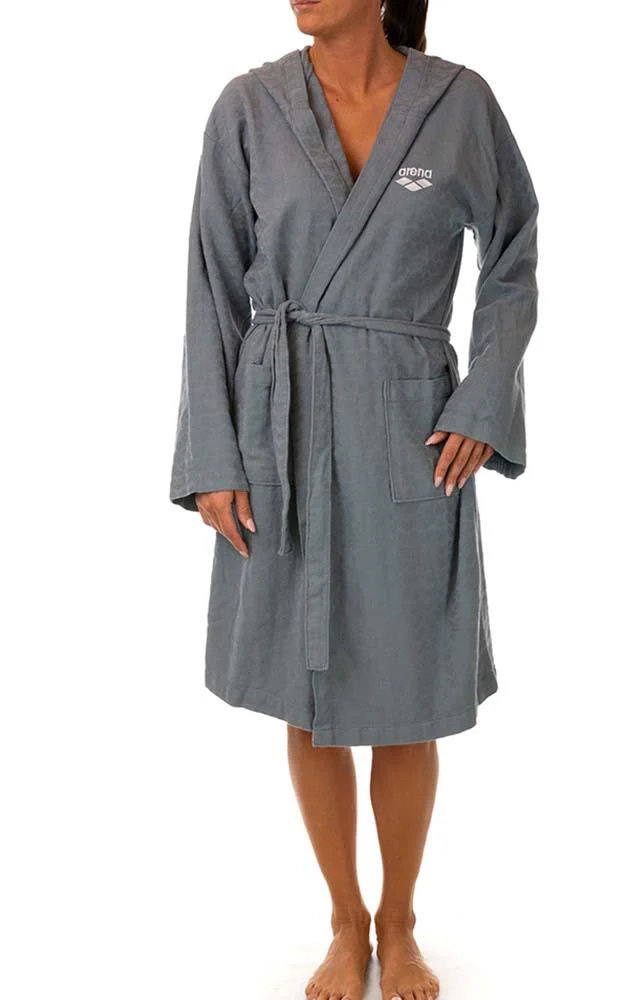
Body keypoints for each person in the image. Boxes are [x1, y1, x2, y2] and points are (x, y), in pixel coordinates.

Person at [169, 1, 539, 997]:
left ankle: (399, 920)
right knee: (305, 684)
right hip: (279, 419)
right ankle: (344, 919)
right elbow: (210, 284)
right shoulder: (247, 107)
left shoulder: (459, 106)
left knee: (409, 688)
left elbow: (512, 253)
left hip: (408, 424)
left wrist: (483, 398)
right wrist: (214, 455)